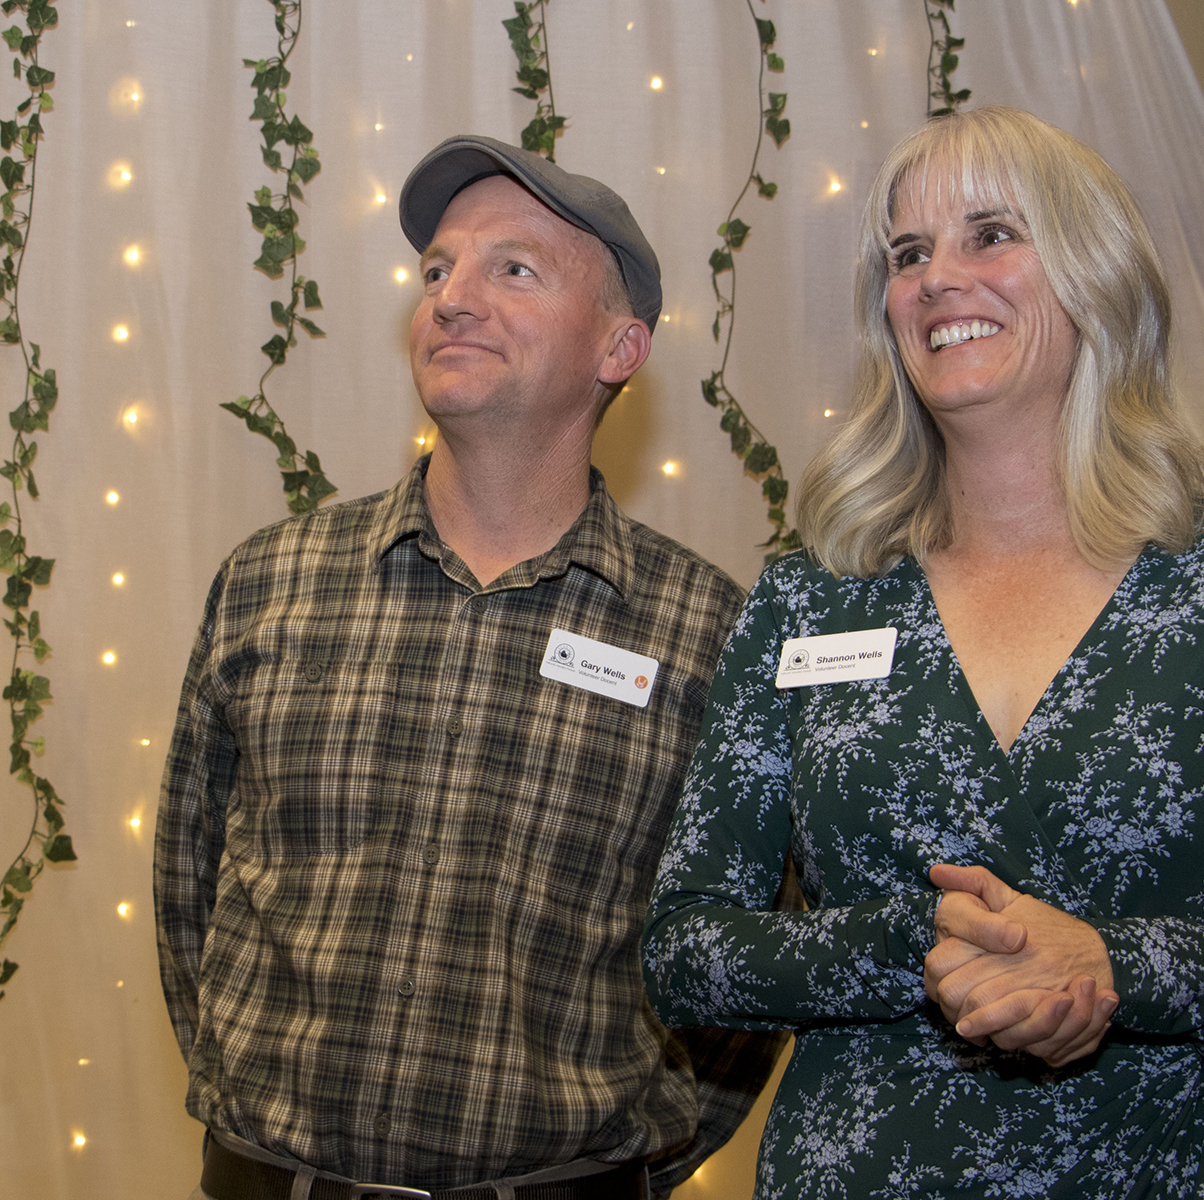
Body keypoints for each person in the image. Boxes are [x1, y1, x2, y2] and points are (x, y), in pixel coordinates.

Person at [643, 107, 1204, 1198]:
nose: (937, 278)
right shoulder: (809, 600)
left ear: (1092, 272)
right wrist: (912, 945)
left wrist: (1119, 968)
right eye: (908, 254)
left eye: (991, 235)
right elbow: (685, 951)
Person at [154, 136, 780, 1200]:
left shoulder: (708, 636)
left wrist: (621, 1169)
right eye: (437, 269)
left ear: (619, 347)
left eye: (513, 268)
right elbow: (187, 890)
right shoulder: (270, 581)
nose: (451, 298)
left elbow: (738, 961)